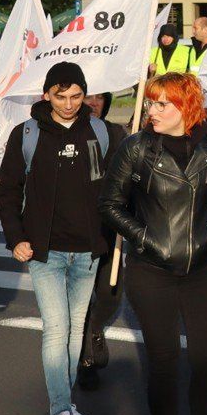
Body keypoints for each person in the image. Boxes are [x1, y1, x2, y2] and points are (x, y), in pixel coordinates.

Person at [101, 72, 207, 415]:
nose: (152, 110)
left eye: (164, 104)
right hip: (152, 272)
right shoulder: (136, 148)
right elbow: (110, 204)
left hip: (202, 270)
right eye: (152, 102)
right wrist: (145, 238)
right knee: (163, 365)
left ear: (187, 107)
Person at [0, 62, 114, 415]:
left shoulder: (100, 131)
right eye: (60, 96)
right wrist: (16, 238)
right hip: (44, 250)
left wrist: (110, 238)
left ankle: (65, 403)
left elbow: (111, 189)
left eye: (76, 96)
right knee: (56, 329)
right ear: (46, 95)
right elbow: (9, 191)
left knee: (76, 328)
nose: (68, 104)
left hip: (88, 249)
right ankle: (61, 410)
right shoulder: (27, 134)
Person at [75, 91, 128, 392]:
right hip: (77, 232)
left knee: (110, 294)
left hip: (109, 230)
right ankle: (86, 361)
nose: (93, 103)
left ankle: (95, 328)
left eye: (99, 97)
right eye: (88, 96)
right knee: (81, 298)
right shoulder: (68, 134)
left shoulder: (115, 132)